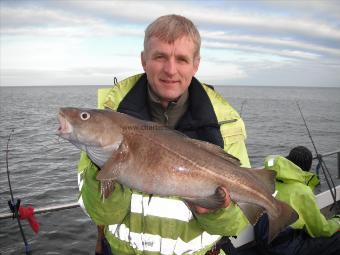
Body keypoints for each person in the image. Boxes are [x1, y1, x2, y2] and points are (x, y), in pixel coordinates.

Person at [77, 14, 251, 255]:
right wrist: (105, 167)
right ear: (144, 60)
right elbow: (102, 213)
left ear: (196, 64)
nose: (170, 70)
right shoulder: (108, 118)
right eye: (160, 57)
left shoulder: (225, 124)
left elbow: (234, 224)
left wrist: (215, 209)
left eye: (181, 59)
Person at [254, 146, 340, 255]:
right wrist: (337, 221)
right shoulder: (303, 191)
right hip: (286, 248)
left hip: (264, 242)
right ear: (308, 167)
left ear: (288, 160)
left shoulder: (269, 181)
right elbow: (319, 230)